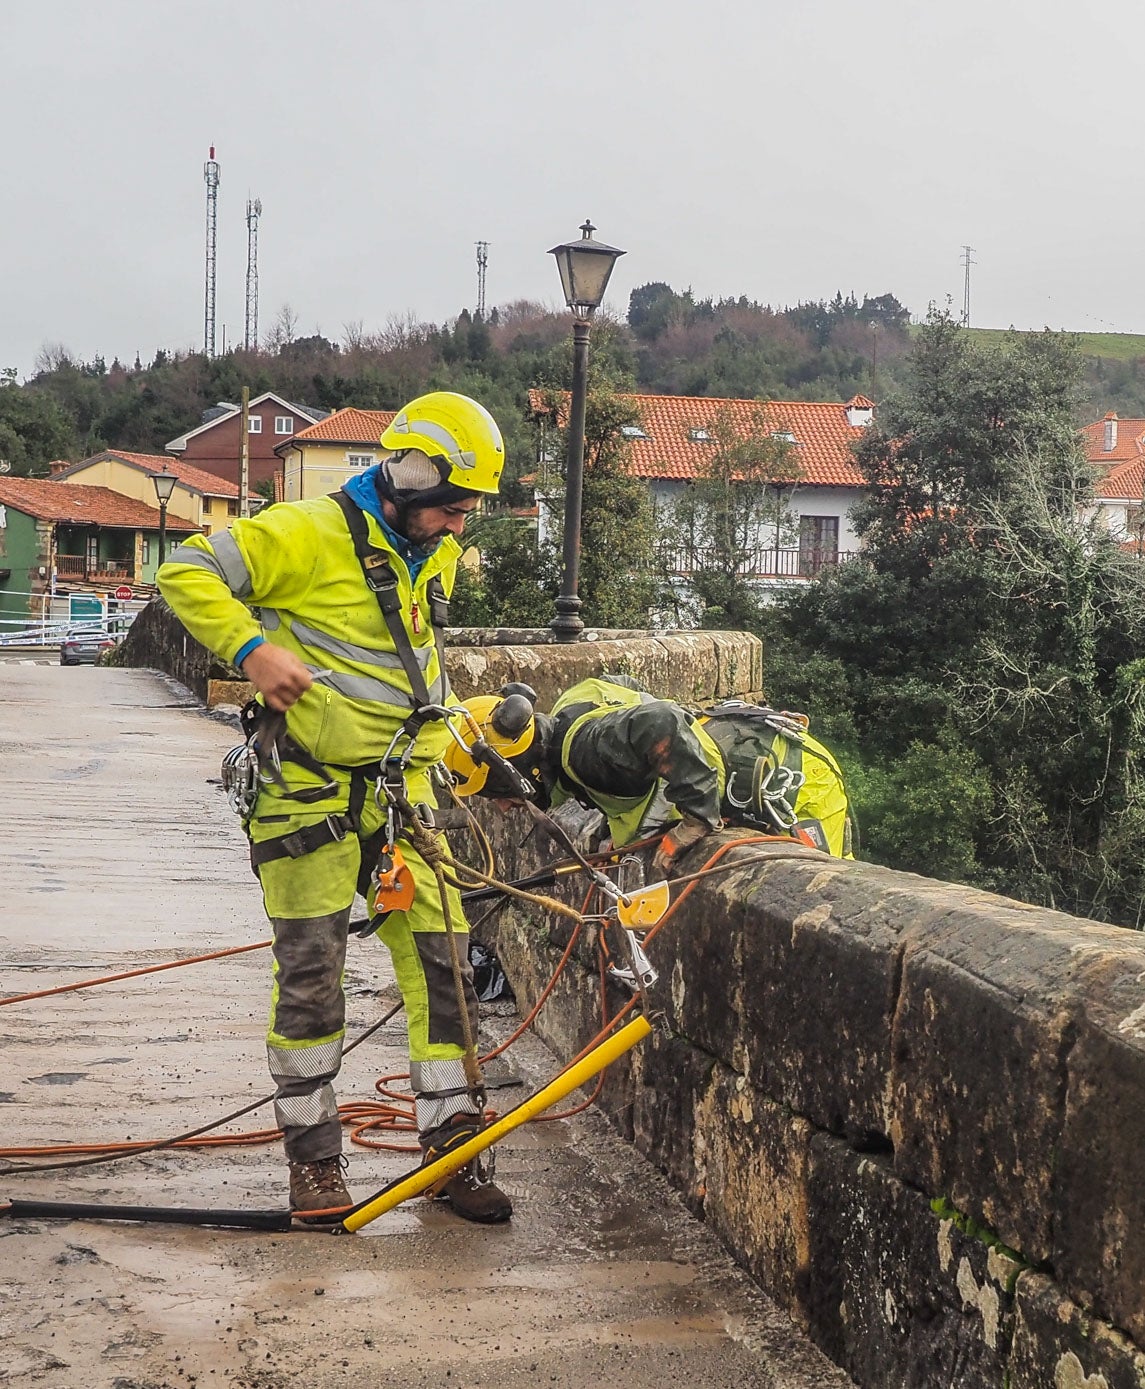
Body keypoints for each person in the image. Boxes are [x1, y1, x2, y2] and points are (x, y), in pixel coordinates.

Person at [158, 391, 513, 1225]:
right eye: (452, 508)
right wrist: (254, 649)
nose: (459, 527)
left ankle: (455, 1150)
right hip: (309, 792)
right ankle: (313, 1162)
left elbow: (405, 660)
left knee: (445, 971)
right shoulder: (306, 533)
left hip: (402, 798)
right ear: (409, 476)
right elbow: (184, 570)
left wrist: (456, 738)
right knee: (313, 980)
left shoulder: (433, 550)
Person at [446, 675, 854, 870]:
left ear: (516, 767)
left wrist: (695, 820)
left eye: (496, 790)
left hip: (794, 781)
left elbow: (660, 721)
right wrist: (615, 832)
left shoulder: (585, 751)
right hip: (763, 751)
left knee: (834, 889)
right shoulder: (572, 715)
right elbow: (627, 692)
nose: (501, 807)